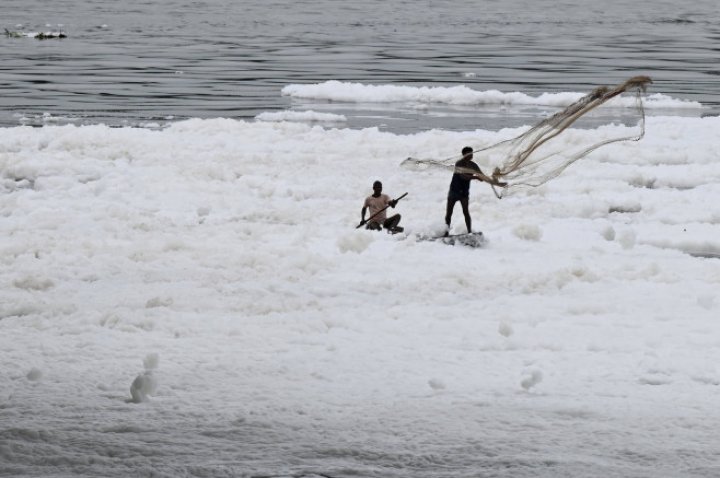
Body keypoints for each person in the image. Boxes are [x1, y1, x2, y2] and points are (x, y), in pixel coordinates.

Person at [445, 146, 506, 235]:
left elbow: (483, 176)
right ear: (464, 154)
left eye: (472, 153)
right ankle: (446, 233)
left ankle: (469, 232)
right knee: (449, 213)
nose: (471, 155)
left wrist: (497, 183)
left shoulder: (473, 165)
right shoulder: (459, 163)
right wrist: (476, 177)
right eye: (469, 153)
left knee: (466, 212)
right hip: (454, 191)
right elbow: (463, 176)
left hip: (464, 192)